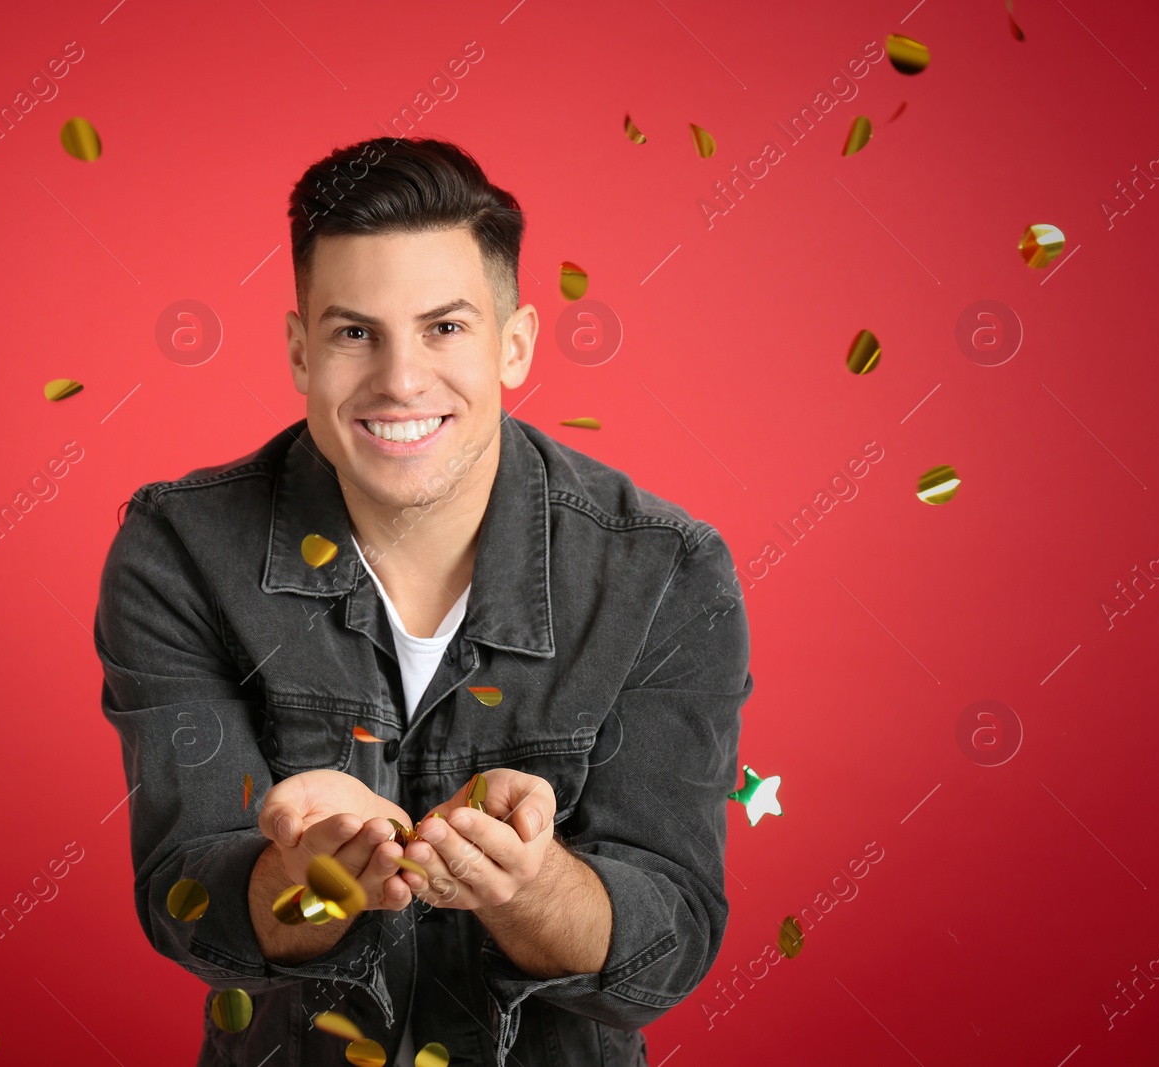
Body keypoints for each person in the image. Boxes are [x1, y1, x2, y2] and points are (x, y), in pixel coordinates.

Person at [93, 136, 753, 1066]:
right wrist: (309, 875)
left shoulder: (666, 574)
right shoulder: (179, 553)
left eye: (445, 328)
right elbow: (185, 901)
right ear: (299, 350)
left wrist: (529, 886)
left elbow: (669, 942)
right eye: (354, 331)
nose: (400, 380)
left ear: (514, 343)